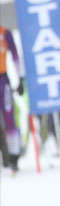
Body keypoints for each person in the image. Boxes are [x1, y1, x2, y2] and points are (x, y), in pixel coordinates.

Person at [0, 25, 25, 173]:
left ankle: (14, 156)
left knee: (9, 118)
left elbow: (15, 55)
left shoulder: (4, 33)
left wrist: (20, 78)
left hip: (3, 81)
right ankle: (5, 156)